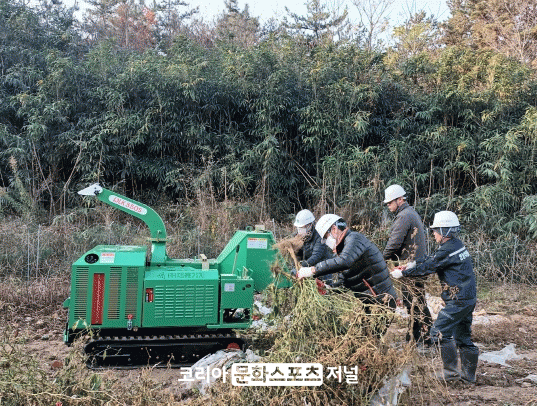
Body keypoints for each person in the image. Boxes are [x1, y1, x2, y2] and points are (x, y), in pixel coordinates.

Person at [390, 211, 479, 383]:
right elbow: (433, 259)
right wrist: (412, 264)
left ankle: (451, 373)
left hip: (458, 301)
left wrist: (404, 274)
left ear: (445, 231)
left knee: (439, 332)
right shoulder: (455, 245)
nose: (433, 233)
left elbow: (430, 266)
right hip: (467, 298)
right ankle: (469, 377)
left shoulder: (448, 249)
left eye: (435, 230)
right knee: (463, 338)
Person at [297, 214, 397, 309]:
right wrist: (328, 288)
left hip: (382, 299)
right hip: (370, 302)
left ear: (334, 229)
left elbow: (344, 262)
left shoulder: (354, 238)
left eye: (326, 238)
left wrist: (313, 270)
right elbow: (344, 283)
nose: (327, 243)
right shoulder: (343, 250)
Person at [383, 184, 432, 346]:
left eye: (390, 202)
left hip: (410, 266)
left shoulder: (404, 216)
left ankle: (422, 336)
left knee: (413, 302)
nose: (388, 205)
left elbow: (394, 243)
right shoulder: (409, 213)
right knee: (417, 301)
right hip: (415, 264)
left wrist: (381, 259)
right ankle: (421, 336)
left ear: (400, 199)